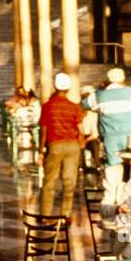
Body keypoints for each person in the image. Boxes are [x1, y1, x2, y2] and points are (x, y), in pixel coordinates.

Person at [88, 67, 131, 213]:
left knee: (112, 170)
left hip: (110, 138)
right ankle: (125, 202)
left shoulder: (98, 95)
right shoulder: (130, 92)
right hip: (130, 138)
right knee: (130, 169)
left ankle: (110, 206)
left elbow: (86, 104)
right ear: (123, 79)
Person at [38, 73, 84, 217]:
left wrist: (41, 150)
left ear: (54, 86)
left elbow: (44, 131)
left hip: (55, 145)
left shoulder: (47, 106)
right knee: (69, 181)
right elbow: (80, 130)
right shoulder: (74, 107)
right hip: (72, 145)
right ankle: (65, 214)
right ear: (68, 88)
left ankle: (45, 215)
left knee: (49, 181)